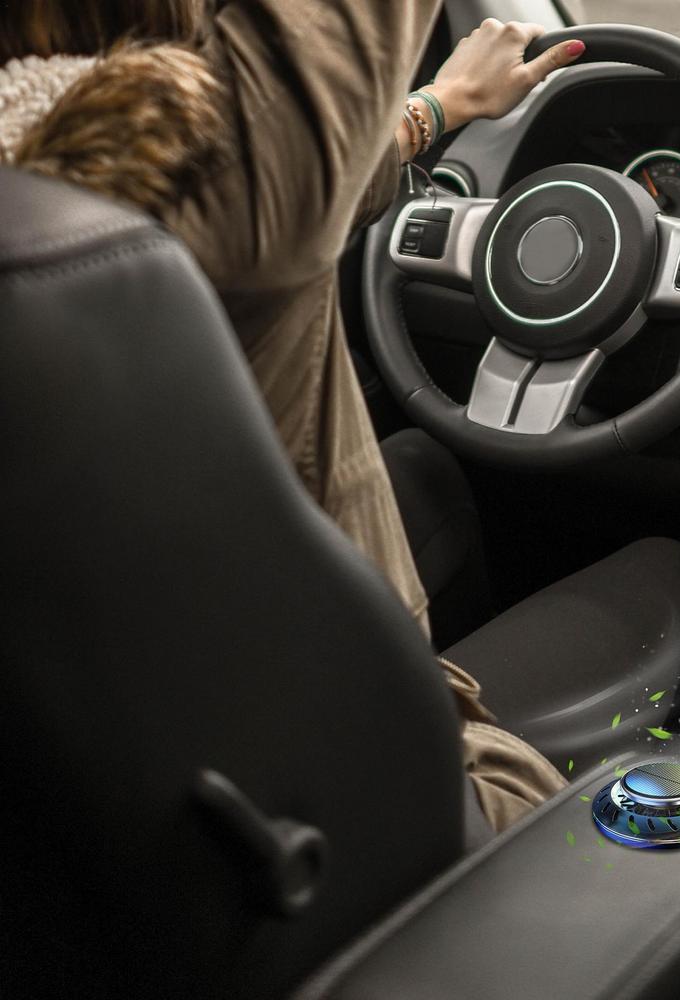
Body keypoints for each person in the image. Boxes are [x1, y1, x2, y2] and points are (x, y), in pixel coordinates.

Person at [0, 1, 586, 832]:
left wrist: (432, 109)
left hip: (101, 799)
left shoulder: (50, 182)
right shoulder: (170, 169)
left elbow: (301, 164)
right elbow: (274, 155)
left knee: (429, 474)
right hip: (350, 804)